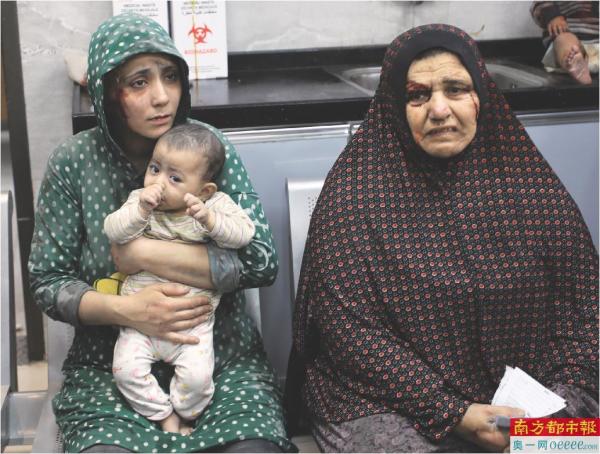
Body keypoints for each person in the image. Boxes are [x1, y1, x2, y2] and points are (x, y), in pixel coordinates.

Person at [288, 24, 598, 453]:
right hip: (386, 401)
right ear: (395, 107)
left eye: (455, 89)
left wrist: (553, 406)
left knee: (575, 443)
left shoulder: (528, 186)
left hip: (523, 396)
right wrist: (456, 413)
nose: (439, 109)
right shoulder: (354, 197)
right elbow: (352, 338)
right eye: (418, 95)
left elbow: (583, 311)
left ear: (480, 97)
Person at [29, 13, 295, 453]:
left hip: (222, 360)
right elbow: (47, 282)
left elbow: (261, 262)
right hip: (107, 369)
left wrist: (141, 255)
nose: (161, 97)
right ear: (107, 92)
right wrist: (129, 311)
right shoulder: (73, 164)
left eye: (170, 77)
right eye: (139, 82)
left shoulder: (207, 147)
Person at [104, 123, 256, 435]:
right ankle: (163, 415)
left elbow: (244, 234)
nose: (158, 183)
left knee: (198, 380)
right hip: (140, 321)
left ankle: (187, 413)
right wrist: (140, 211)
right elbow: (113, 230)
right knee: (125, 371)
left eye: (174, 178)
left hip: (193, 325)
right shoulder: (140, 201)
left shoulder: (213, 205)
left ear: (204, 190)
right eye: (155, 169)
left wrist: (210, 220)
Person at [530, 1, 598, 84]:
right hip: (566, 32)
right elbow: (540, 3)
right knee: (564, 41)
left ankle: (577, 63)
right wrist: (553, 16)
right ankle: (574, 64)